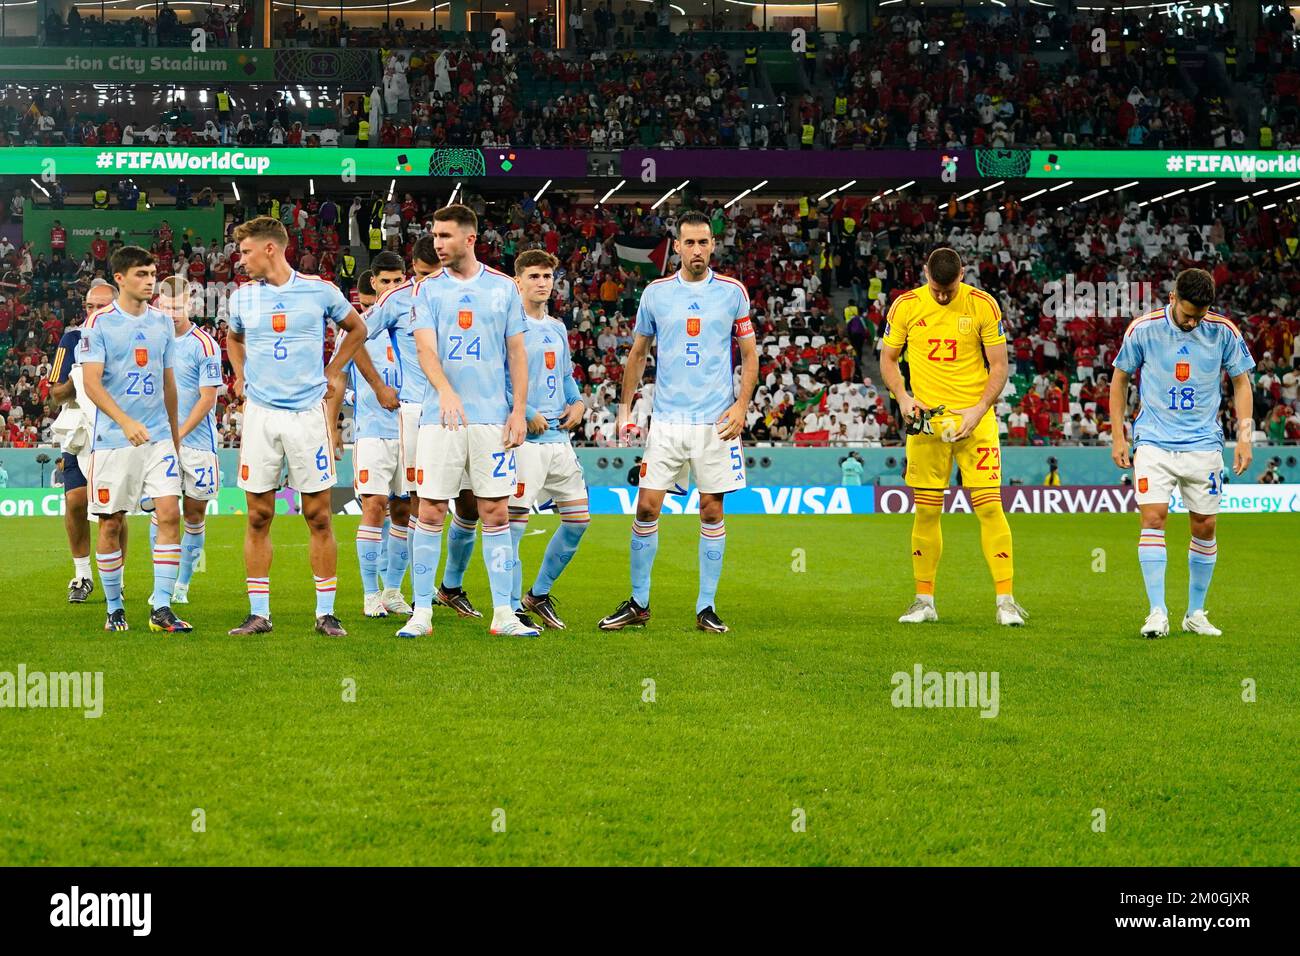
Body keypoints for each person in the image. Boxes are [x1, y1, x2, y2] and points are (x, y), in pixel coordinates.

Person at [224, 216, 396, 637]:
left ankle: (325, 614)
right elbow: (234, 338)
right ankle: (259, 613)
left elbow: (357, 327)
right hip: (262, 415)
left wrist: (335, 370)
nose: (240, 260)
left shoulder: (319, 291)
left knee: (319, 516)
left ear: (269, 248)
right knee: (258, 515)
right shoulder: (242, 298)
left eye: (246, 251)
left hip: (307, 414)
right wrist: (241, 375)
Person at [599, 210, 759, 633]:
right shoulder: (656, 293)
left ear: (713, 245)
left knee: (710, 510)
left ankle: (706, 607)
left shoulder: (732, 292)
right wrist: (624, 408)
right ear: (678, 247)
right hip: (667, 421)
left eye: (704, 242)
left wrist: (741, 406)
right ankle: (638, 602)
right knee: (647, 505)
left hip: (715, 422)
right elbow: (637, 353)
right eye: (689, 243)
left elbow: (749, 354)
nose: (697, 250)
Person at [397, 203, 535, 638]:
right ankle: (421, 613)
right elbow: (425, 351)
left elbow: (517, 353)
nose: (437, 244)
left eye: (445, 236)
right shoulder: (426, 290)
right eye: (435, 236)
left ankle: (503, 616)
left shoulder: (504, 288)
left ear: (469, 239)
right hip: (442, 421)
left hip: (492, 420)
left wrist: (517, 411)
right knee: (432, 509)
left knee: (495, 511)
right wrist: (446, 390)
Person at [880, 247, 1027, 627]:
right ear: (925, 272)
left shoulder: (983, 305)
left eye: (950, 289)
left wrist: (978, 411)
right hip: (927, 423)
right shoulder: (905, 306)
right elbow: (888, 359)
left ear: (963, 273)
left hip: (974, 423)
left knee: (990, 507)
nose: (943, 296)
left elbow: (999, 367)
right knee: (927, 510)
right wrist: (903, 397)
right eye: (937, 288)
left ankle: (1006, 601)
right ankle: (924, 601)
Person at [1110, 268, 1255, 638]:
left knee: (1204, 526)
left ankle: (1195, 613)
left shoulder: (1223, 331)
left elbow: (1241, 381)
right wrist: (1118, 435)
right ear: (1172, 298)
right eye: (1189, 313)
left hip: (1203, 444)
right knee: (1154, 518)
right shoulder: (1143, 329)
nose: (1193, 321)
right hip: (1153, 441)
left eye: (1200, 315)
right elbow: (1120, 378)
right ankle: (1157, 610)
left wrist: (1245, 436)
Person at [363, 236, 484, 622]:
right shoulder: (399, 299)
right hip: (416, 411)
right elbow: (355, 336)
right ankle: (394, 595)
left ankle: (413, 591)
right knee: (415, 504)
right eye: (425, 274)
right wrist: (375, 386)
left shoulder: (468, 295)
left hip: (464, 412)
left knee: (453, 505)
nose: (431, 281)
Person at [79, 246, 189, 633]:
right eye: (142, 274)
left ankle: (161, 607)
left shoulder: (162, 323)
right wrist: (125, 421)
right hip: (113, 441)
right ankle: (114, 607)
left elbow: (168, 384)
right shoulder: (98, 325)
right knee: (111, 523)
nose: (150, 280)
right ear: (120, 279)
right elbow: (91, 383)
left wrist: (175, 439)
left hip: (157, 438)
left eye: (153, 273)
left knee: (170, 514)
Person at [506, 249, 590, 631]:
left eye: (547, 276)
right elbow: (496, 381)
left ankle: (537, 594)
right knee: (513, 526)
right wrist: (525, 413)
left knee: (578, 521)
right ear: (518, 280)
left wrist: (578, 403)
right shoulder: (509, 324)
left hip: (559, 439)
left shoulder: (557, 327)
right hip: (525, 440)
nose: (542, 283)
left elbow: (568, 376)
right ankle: (509, 607)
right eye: (535, 276)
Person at [325, 260, 412, 619]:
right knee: (375, 505)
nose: (391, 286)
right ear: (373, 283)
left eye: (397, 280)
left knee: (406, 511)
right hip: (373, 432)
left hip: (411, 431)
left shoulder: (414, 324)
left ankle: (393, 590)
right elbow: (336, 379)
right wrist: (333, 429)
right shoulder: (357, 332)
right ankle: (370, 593)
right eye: (385, 281)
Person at [50, 280, 130, 603]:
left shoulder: (126, 338)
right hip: (81, 434)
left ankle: (117, 578)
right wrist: (74, 383)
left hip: (115, 432)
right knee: (75, 500)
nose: (93, 312)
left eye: (100, 306)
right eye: (88, 306)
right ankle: (82, 575)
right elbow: (54, 392)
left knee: (115, 512)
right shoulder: (71, 339)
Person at [148, 277, 221, 607]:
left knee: (193, 515)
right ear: (157, 304)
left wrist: (179, 434)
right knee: (163, 514)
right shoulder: (150, 341)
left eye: (178, 307)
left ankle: (183, 584)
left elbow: (207, 398)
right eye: (166, 307)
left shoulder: (205, 344)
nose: (172, 313)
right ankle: (160, 585)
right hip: (161, 443)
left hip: (197, 444)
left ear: (189, 304)